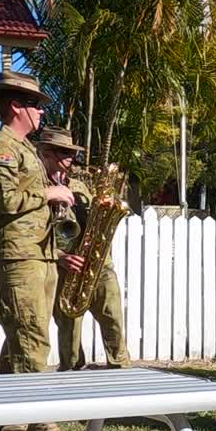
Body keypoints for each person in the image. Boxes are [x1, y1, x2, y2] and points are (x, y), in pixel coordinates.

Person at [0, 70, 79, 431]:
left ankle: (6, 419)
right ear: (16, 106)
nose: (41, 112)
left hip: (39, 253)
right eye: (35, 104)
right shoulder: (0, 146)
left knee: (20, 337)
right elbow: (6, 201)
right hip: (18, 257)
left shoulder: (26, 150)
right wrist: (49, 194)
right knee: (32, 338)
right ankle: (41, 425)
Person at [41, 127, 131, 372]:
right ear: (46, 152)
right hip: (65, 268)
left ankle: (121, 370)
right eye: (63, 152)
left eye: (72, 153)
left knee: (113, 320)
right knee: (69, 331)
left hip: (98, 263)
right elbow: (32, 232)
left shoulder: (80, 185)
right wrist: (59, 257)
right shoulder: (39, 189)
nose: (70, 158)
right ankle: (71, 374)